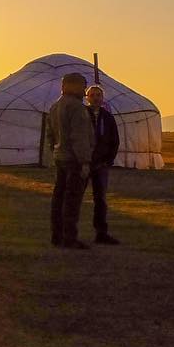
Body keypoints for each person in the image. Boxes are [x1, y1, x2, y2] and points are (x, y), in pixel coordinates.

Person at [47, 72, 94, 249]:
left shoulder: (55, 106)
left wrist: (56, 151)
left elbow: (50, 135)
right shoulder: (76, 108)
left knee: (58, 198)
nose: (84, 91)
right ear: (72, 86)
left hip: (61, 158)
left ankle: (56, 235)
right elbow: (79, 137)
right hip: (74, 160)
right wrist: (84, 162)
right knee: (72, 199)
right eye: (82, 86)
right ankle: (69, 238)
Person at [86, 84, 120, 244]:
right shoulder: (81, 115)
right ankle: (70, 232)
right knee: (74, 196)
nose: (95, 98)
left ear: (102, 98)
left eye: (98, 95)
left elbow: (115, 140)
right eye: (92, 95)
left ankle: (101, 233)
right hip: (84, 162)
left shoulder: (108, 117)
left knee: (100, 199)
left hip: (101, 164)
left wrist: (108, 160)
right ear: (87, 98)